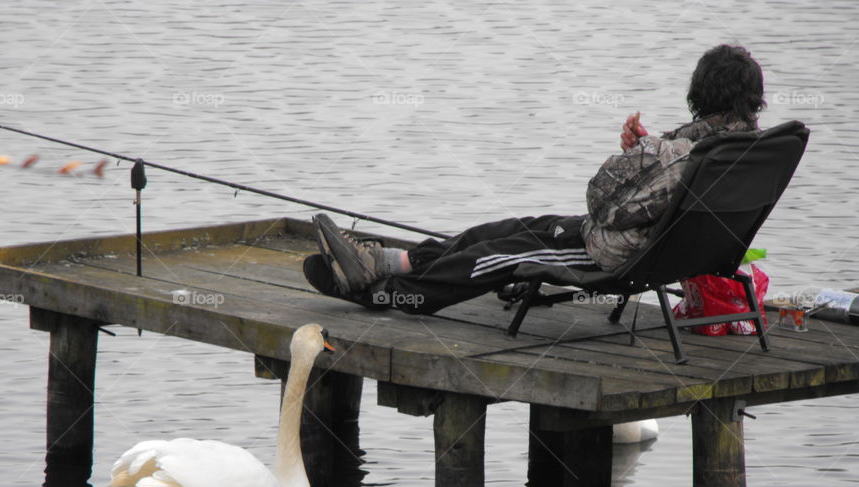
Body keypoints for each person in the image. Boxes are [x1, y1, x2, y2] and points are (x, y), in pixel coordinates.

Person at [304, 44, 766, 315]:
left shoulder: (683, 155)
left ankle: (388, 294)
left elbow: (601, 203)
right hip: (652, 248)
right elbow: (662, 191)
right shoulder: (746, 152)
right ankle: (385, 262)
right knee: (502, 230)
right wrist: (647, 155)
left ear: (699, 94)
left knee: (494, 256)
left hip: (614, 256)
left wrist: (641, 157)